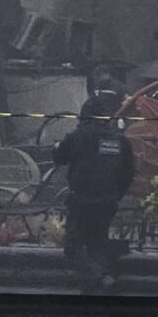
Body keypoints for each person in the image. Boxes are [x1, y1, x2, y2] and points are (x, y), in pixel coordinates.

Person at [52, 93, 136, 295]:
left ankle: (102, 278)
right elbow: (129, 172)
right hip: (108, 201)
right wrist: (116, 195)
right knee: (98, 242)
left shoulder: (80, 136)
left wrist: (56, 146)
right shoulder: (119, 140)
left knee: (73, 245)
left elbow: (60, 157)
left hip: (82, 199)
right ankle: (101, 282)